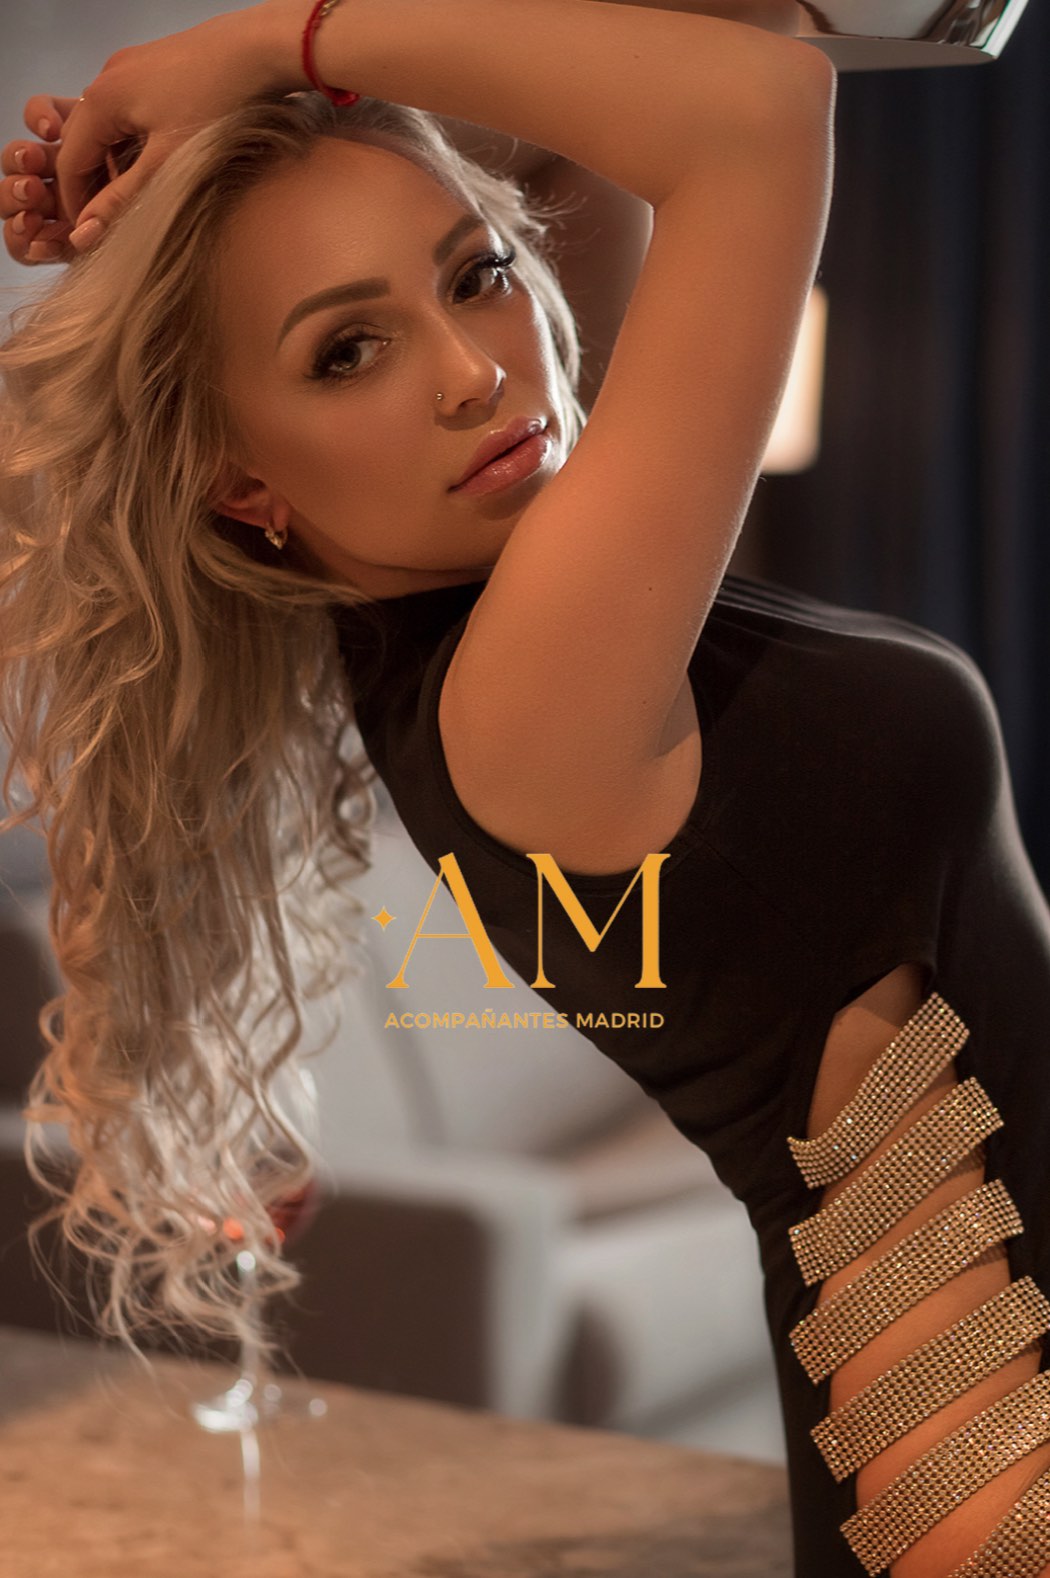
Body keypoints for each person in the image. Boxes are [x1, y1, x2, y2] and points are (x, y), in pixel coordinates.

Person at [1, 1, 1049, 1572]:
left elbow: (663, 69)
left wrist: (265, 96)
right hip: (996, 1489)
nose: (473, 369)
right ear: (243, 480)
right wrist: (273, 45)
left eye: (476, 271)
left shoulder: (517, 600)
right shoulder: (525, 699)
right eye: (346, 350)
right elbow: (751, 110)